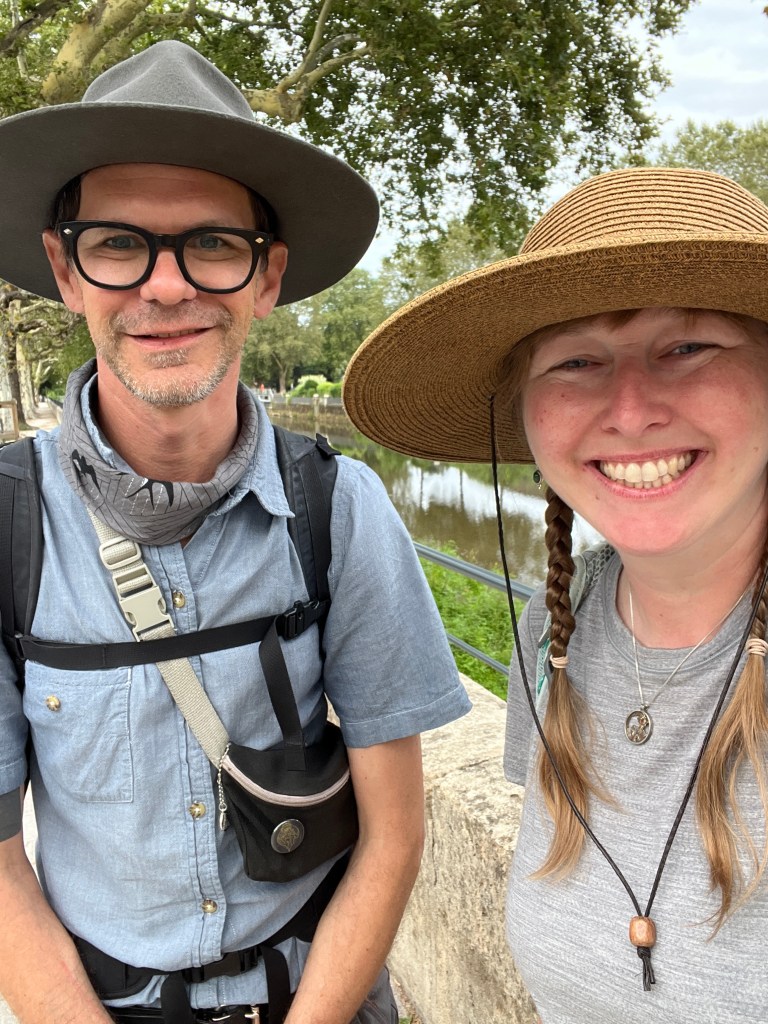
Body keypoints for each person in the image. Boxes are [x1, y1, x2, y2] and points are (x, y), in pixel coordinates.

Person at [0, 41, 471, 1024]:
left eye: (213, 243)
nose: (166, 286)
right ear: (65, 269)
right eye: (117, 242)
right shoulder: (6, 525)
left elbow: (394, 835)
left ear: (267, 277)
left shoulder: (341, 511)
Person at [343, 165, 768, 1022]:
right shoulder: (551, 634)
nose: (631, 409)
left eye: (688, 347)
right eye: (576, 361)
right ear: (528, 417)